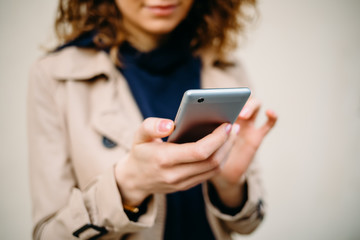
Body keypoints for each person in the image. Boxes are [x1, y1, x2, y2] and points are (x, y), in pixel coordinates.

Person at [27, 0, 277, 239]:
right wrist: (128, 186)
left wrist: (230, 186)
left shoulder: (227, 67)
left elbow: (247, 225)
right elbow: (48, 234)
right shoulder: (56, 77)